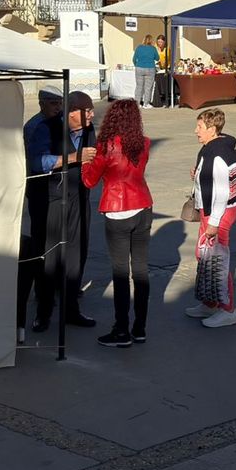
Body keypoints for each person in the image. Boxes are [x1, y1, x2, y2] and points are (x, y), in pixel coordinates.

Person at [81, 98, 153, 348]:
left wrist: (85, 162)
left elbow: (89, 181)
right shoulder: (144, 143)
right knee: (141, 269)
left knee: (121, 272)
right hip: (143, 206)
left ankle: (121, 330)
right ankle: (140, 327)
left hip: (117, 210)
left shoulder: (106, 146)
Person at [25, 90, 98, 334]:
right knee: (48, 258)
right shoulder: (45, 128)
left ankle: (71, 310)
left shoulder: (88, 130)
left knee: (76, 255)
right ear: (72, 112)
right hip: (51, 200)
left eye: (91, 110)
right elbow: (38, 163)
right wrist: (74, 157)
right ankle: (43, 312)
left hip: (79, 199)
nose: (92, 115)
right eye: (87, 110)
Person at [185, 109, 236, 328]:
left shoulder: (217, 154)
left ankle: (228, 310)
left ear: (212, 129)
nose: (196, 131)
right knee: (204, 256)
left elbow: (223, 192)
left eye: (200, 127)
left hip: (218, 213)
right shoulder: (212, 148)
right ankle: (210, 303)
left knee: (217, 261)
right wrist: (198, 175)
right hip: (211, 211)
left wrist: (214, 223)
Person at [17, 89, 63, 341]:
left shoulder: (57, 121)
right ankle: (42, 298)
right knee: (41, 246)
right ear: (42, 103)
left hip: (54, 193)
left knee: (55, 244)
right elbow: (37, 163)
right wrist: (67, 159)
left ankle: (53, 289)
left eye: (60, 103)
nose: (58, 107)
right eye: (53, 103)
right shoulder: (36, 126)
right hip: (40, 192)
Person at [132, 35, 160, 108]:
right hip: (150, 69)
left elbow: (134, 59)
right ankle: (146, 104)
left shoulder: (139, 47)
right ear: (151, 41)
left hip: (139, 68)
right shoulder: (153, 48)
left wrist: (136, 65)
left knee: (139, 87)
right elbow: (157, 58)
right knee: (148, 87)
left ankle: (137, 104)